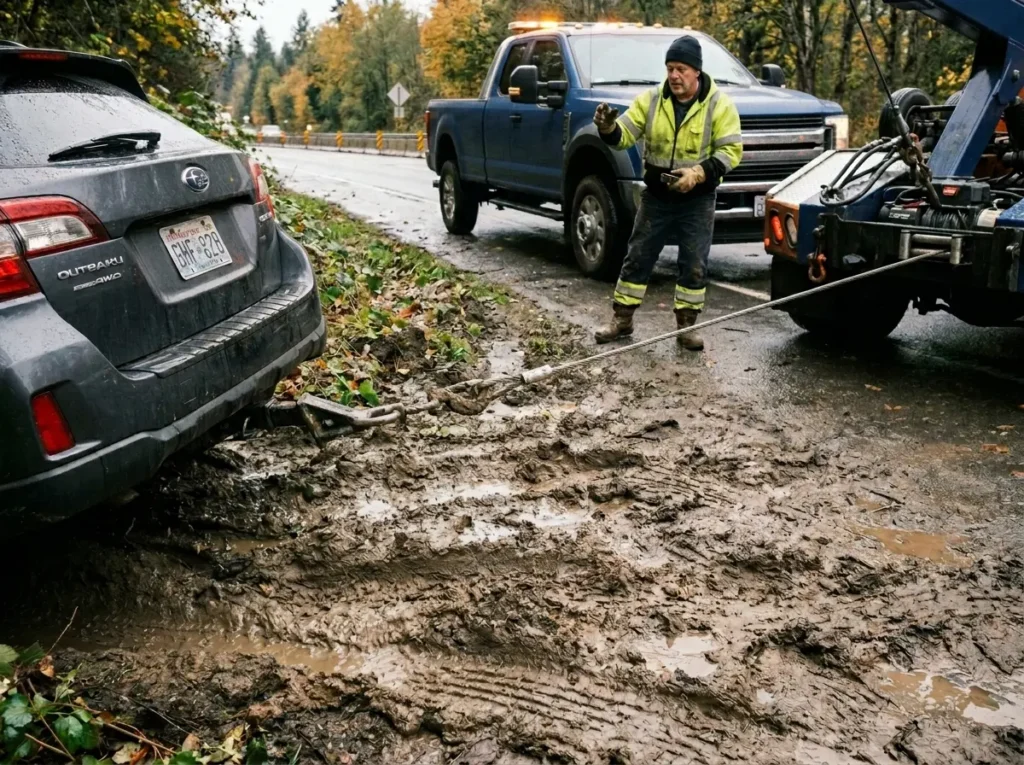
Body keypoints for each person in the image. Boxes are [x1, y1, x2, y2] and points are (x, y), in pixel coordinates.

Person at [592, 35, 743, 350]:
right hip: (658, 197)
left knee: (694, 263)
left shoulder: (719, 104)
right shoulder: (650, 101)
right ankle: (622, 321)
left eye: (681, 69)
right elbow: (625, 136)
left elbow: (731, 151)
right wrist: (608, 128)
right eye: (670, 68)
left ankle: (686, 328)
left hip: (697, 199)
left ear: (696, 72)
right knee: (637, 257)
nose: (674, 75)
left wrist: (699, 173)